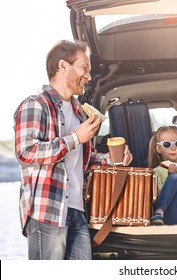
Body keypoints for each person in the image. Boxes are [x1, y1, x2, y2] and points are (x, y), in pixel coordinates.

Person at [13, 40, 133, 260]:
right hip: (47, 211)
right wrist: (75, 138)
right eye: (84, 68)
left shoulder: (79, 112)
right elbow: (26, 152)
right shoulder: (36, 104)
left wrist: (112, 159)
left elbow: (82, 160)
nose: (88, 76)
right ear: (63, 66)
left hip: (78, 211)